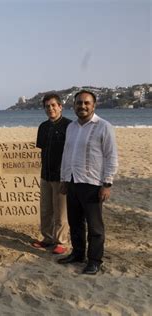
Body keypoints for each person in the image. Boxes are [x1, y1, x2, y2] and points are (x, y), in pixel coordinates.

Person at [58, 90, 118, 275]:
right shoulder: (72, 127)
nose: (82, 106)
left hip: (93, 183)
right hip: (73, 180)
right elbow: (67, 155)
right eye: (79, 103)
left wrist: (107, 184)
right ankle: (77, 254)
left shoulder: (104, 126)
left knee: (95, 226)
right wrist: (64, 179)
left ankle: (94, 261)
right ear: (74, 105)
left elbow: (111, 156)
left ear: (94, 105)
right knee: (75, 222)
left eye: (86, 103)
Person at [32, 93, 71, 255]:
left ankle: (61, 241)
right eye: (47, 106)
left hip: (61, 176)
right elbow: (43, 150)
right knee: (46, 209)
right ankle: (47, 238)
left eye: (53, 105)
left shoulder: (70, 126)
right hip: (45, 175)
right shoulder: (43, 127)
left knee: (61, 211)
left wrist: (67, 177)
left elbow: (71, 153)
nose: (51, 109)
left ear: (60, 107)